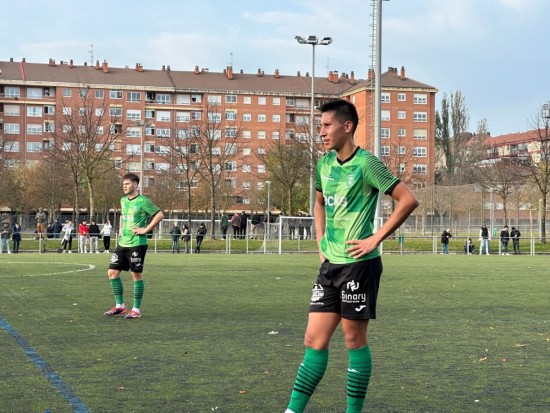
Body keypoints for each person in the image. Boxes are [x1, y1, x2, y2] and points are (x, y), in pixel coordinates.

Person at [284, 99, 419, 413]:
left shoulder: (367, 164)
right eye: (320, 126)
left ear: (347, 126)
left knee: (352, 339)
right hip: (330, 264)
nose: (321, 132)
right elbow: (319, 203)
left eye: (327, 125)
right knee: (313, 339)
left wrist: (376, 238)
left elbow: (408, 199)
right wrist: (319, 240)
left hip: (360, 266)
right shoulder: (324, 164)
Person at [104, 173, 164, 320]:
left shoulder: (144, 201)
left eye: (128, 184)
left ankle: (136, 309)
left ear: (135, 185)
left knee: (135, 275)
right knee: (112, 272)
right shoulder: (123, 200)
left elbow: (159, 215)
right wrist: (120, 229)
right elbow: (123, 216)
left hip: (137, 243)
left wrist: (145, 230)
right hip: (123, 242)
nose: (124, 186)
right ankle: (120, 307)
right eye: (123, 184)